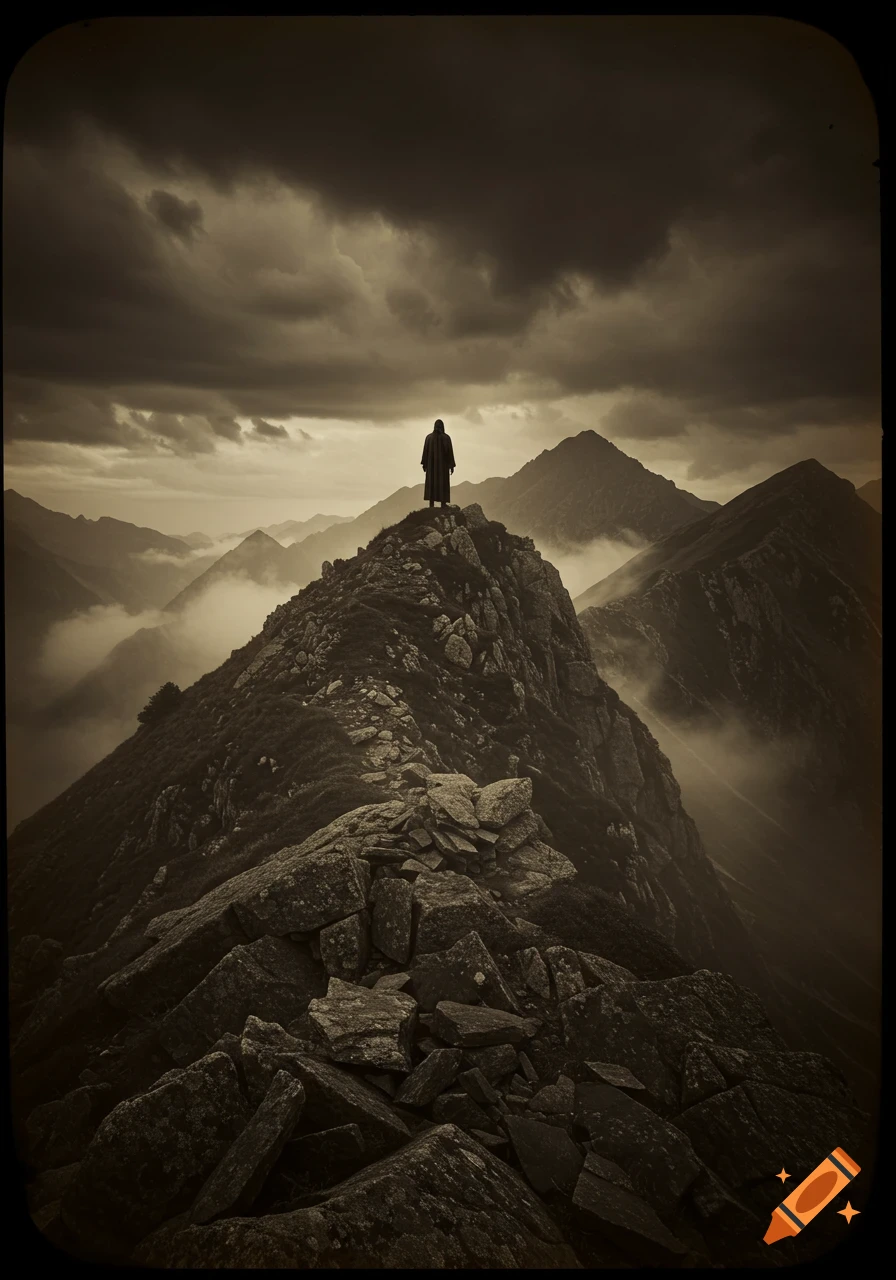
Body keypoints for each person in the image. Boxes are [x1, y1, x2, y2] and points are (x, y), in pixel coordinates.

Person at [421, 418, 455, 508]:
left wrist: (424, 465)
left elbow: (425, 452)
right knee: (443, 484)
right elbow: (450, 453)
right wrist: (451, 466)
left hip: (431, 468)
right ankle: (443, 504)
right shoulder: (446, 438)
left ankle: (431, 504)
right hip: (443, 468)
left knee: (431, 483)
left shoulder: (428, 438)